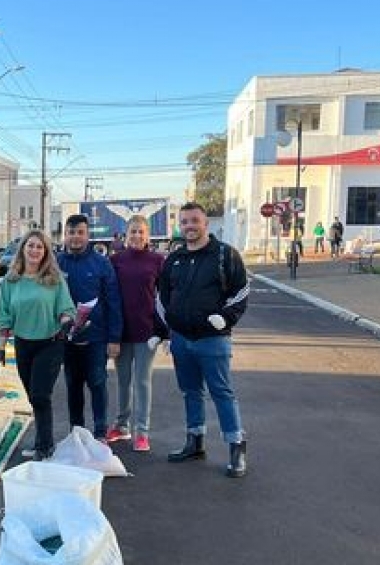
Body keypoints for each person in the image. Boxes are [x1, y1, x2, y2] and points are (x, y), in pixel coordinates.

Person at [157, 203, 251, 478]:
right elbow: (162, 297)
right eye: (184, 222)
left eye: (194, 221)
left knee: (222, 392)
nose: (189, 226)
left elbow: (241, 291)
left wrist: (227, 317)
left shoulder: (225, 255)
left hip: (213, 339)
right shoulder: (174, 260)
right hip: (181, 340)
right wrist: (164, 330)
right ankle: (194, 441)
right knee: (190, 392)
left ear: (205, 223)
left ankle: (236, 446)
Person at [0, 230, 75, 461]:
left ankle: (45, 447)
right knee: (32, 396)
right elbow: (4, 315)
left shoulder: (54, 280)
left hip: (50, 343)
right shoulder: (11, 280)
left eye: (40, 247)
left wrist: (67, 323)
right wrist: (0, 348)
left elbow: (66, 309)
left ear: (45, 252)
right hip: (23, 344)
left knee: (40, 395)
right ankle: (43, 444)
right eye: (31, 246)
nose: (35, 250)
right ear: (23, 249)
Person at [57, 214, 122, 441]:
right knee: (73, 385)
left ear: (88, 235)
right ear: (65, 235)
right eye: (71, 232)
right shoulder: (56, 264)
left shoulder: (102, 264)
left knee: (97, 383)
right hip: (67, 339)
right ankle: (77, 431)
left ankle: (100, 432)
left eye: (80, 233)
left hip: (96, 338)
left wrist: (114, 338)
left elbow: (113, 302)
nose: (75, 237)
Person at [107, 216, 168, 452]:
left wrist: (164, 332)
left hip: (147, 332)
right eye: (133, 232)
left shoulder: (157, 261)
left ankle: (141, 432)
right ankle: (122, 426)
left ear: (148, 236)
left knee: (142, 382)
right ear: (125, 234)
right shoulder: (115, 261)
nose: (137, 236)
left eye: (141, 232)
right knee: (123, 382)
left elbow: (165, 297)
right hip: (121, 331)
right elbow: (109, 296)